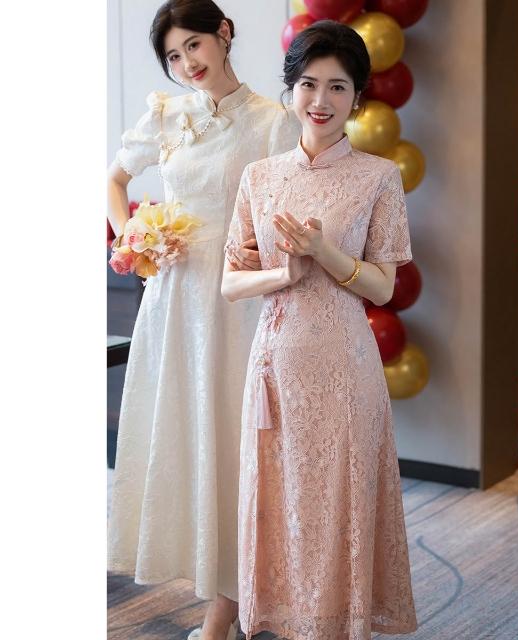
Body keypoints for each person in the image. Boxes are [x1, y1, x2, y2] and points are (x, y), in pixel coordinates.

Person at [106, 2, 299, 639]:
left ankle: (229, 607)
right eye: (173, 55)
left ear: (224, 33)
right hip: (173, 300)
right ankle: (220, 590)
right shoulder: (166, 114)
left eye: (194, 45)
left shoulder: (272, 122)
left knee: (237, 444)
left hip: (237, 301)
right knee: (185, 438)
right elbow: (114, 179)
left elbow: (285, 215)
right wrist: (135, 236)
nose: (186, 63)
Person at [221, 20, 418, 640]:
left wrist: (324, 254)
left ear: (357, 97)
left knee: (339, 500)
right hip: (275, 363)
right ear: (291, 90)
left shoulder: (379, 176)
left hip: (343, 364)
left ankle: (338, 626)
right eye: (309, 84)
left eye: (337, 87)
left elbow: (383, 289)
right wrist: (284, 273)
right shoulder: (259, 176)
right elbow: (230, 283)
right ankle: (285, 622)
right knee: (279, 499)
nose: (321, 100)